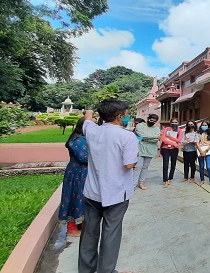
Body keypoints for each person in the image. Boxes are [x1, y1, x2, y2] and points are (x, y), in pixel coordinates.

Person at [78, 101, 139, 273]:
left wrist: (89, 110)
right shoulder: (127, 137)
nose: (127, 117)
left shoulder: (91, 131)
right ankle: (106, 270)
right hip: (116, 193)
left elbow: (87, 118)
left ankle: (86, 269)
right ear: (120, 117)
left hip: (92, 192)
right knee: (111, 233)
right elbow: (129, 164)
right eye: (126, 114)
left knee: (89, 233)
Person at [59, 117, 88, 237]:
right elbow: (84, 158)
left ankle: (80, 224)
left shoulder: (82, 138)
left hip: (83, 172)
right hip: (78, 173)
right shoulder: (76, 140)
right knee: (75, 197)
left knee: (83, 198)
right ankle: (71, 229)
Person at [132, 114, 161, 190]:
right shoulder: (140, 126)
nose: (152, 122)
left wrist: (146, 138)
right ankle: (133, 185)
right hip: (140, 149)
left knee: (145, 167)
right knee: (138, 167)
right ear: (148, 119)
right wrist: (154, 137)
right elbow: (141, 136)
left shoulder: (157, 129)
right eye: (151, 120)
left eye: (154, 121)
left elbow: (156, 140)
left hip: (150, 150)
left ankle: (141, 183)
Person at [160, 118, 183, 188]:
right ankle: (165, 180)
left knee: (173, 164)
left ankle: (170, 178)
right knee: (165, 164)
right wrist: (173, 143)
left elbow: (179, 140)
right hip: (165, 148)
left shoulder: (180, 131)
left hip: (174, 149)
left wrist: (169, 137)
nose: (174, 123)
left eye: (176, 122)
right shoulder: (166, 129)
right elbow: (163, 139)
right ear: (170, 123)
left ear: (178, 123)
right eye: (173, 122)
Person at [196, 120, 210, 187]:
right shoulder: (198, 133)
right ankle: (202, 180)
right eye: (203, 125)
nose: (204, 126)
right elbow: (197, 143)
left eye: (205, 125)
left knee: (208, 167)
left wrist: (206, 150)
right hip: (200, 149)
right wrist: (201, 151)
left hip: (208, 150)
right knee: (201, 166)